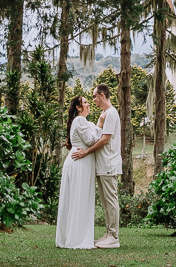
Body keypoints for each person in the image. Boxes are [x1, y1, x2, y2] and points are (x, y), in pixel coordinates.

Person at [72, 84, 121, 249]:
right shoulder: (104, 115)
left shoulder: (111, 114)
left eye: (94, 97)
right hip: (101, 166)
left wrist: (86, 152)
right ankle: (108, 233)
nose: (93, 100)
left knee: (111, 201)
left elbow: (105, 140)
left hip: (109, 164)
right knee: (106, 203)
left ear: (101, 95)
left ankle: (114, 236)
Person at [55, 96, 100, 249]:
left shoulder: (80, 122)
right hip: (79, 162)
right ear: (79, 108)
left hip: (78, 161)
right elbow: (90, 140)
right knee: (79, 198)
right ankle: (77, 239)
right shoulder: (80, 120)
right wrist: (99, 126)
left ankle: (71, 237)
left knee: (75, 199)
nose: (89, 104)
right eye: (85, 102)